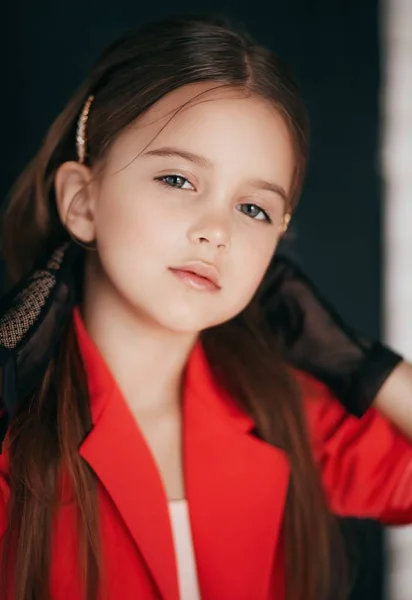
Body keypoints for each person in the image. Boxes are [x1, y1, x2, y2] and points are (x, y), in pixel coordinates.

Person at [1, 14, 412, 600]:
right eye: (177, 179)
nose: (216, 231)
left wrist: (364, 366)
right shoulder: (11, 434)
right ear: (82, 201)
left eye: (254, 210)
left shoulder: (283, 414)